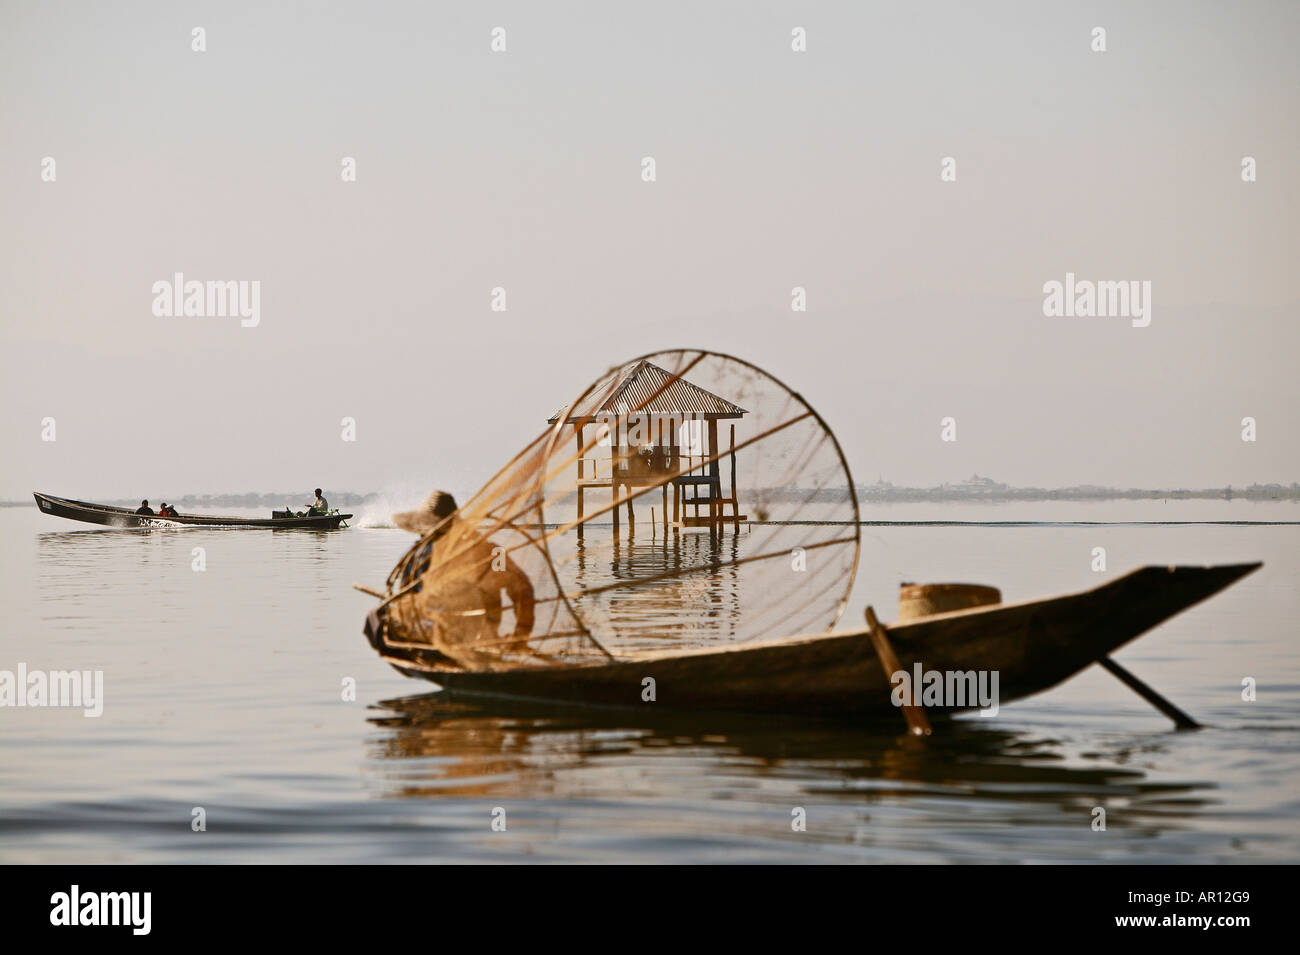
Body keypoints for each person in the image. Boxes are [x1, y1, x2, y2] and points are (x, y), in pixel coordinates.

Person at [382, 490, 536, 662]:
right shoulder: (491, 550)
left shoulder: (489, 552)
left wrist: (520, 635)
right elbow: (522, 589)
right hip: (467, 635)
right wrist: (522, 634)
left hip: (461, 636)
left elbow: (520, 588)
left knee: (378, 621)